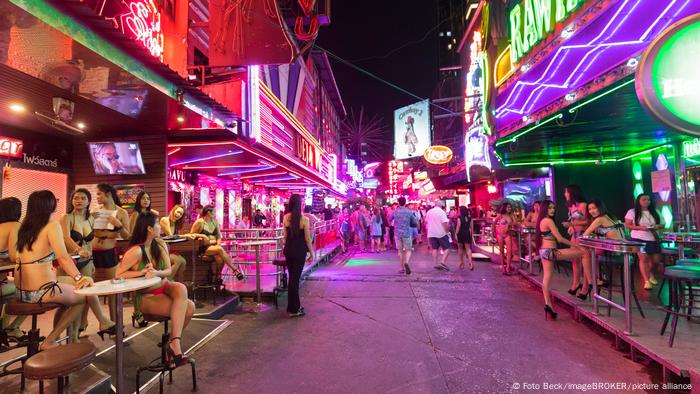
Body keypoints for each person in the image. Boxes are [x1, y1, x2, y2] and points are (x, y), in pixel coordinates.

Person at [16, 190, 116, 349]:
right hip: (41, 290)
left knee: (81, 287)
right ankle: (51, 339)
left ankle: (102, 322)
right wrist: (79, 277)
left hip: (21, 290)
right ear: (50, 206)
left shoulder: (24, 227)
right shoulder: (52, 225)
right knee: (84, 295)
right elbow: (63, 258)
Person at [117, 212, 195, 366]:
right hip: (147, 296)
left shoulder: (160, 244)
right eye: (158, 224)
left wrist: (156, 272)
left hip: (165, 286)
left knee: (180, 287)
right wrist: (141, 272)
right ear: (149, 229)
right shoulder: (136, 251)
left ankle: (173, 343)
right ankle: (172, 346)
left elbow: (167, 271)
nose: (161, 227)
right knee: (189, 307)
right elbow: (118, 274)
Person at [535, 200, 587, 320]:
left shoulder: (542, 220)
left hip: (544, 251)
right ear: (544, 209)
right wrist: (576, 245)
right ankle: (588, 283)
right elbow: (559, 238)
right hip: (550, 252)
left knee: (547, 277)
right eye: (549, 208)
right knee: (584, 252)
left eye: (553, 208)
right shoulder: (548, 220)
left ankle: (548, 305)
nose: (552, 210)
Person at [60, 189, 97, 338]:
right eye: (76, 198)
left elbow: (91, 244)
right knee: (70, 301)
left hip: (87, 261)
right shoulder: (67, 218)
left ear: (88, 201)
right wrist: (78, 249)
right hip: (70, 262)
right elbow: (66, 238)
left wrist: (92, 260)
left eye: (83, 198)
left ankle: (76, 332)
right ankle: (67, 334)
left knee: (85, 296)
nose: (79, 200)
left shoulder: (91, 219)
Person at [92, 183, 131, 321]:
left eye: (99, 194)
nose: (96, 197)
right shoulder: (95, 211)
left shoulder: (121, 212)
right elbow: (90, 232)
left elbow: (127, 236)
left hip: (108, 253)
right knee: (88, 288)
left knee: (112, 291)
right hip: (92, 253)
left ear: (108, 194)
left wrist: (117, 224)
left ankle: (115, 324)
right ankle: (82, 324)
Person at [191, 206, 245, 287]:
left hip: (215, 247)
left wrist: (218, 243)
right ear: (209, 212)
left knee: (220, 259)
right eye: (214, 212)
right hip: (204, 248)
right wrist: (202, 236)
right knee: (220, 250)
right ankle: (235, 270)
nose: (215, 214)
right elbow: (191, 234)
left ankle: (216, 278)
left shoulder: (214, 222)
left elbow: (219, 236)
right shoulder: (199, 222)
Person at [282, 194, 314, 317]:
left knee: (292, 279)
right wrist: (311, 253)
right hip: (299, 251)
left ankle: (294, 307)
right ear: (300, 204)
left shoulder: (285, 218)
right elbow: (307, 238)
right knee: (295, 279)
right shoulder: (304, 219)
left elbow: (284, 237)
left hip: (289, 250)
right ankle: (294, 309)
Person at [625, 193, 664, 290]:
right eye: (644, 199)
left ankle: (650, 273)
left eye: (648, 200)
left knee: (656, 261)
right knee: (644, 258)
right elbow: (628, 225)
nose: (647, 201)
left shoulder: (655, 211)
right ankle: (646, 280)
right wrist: (640, 228)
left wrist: (656, 226)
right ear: (639, 201)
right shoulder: (632, 212)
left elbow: (662, 225)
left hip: (653, 238)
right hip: (638, 238)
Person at [0, 198, 26, 340]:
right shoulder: (14, 226)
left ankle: (5, 328)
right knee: (28, 290)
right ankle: (10, 327)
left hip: (2, 280)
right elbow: (12, 255)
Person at [562, 185, 591, 298]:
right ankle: (575, 283)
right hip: (574, 235)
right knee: (575, 260)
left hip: (582, 235)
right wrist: (571, 227)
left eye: (566, 192)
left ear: (572, 193)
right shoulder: (571, 206)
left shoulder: (583, 205)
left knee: (584, 261)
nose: (565, 194)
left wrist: (572, 224)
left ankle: (585, 288)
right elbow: (573, 220)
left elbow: (587, 222)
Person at [389, 197, 416, 275]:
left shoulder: (395, 212)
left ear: (398, 203)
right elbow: (414, 221)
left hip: (397, 233)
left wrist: (394, 225)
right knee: (408, 250)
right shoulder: (409, 212)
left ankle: (402, 268)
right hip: (407, 233)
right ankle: (406, 262)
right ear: (405, 203)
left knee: (400, 251)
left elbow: (389, 219)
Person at [425, 201, 451, 271]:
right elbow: (445, 223)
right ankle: (442, 262)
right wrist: (447, 231)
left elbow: (426, 222)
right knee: (447, 248)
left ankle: (435, 264)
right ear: (442, 206)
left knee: (434, 248)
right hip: (441, 233)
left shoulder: (429, 212)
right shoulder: (442, 212)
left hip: (431, 233)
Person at [495, 203, 515, 274]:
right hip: (500, 234)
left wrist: (509, 224)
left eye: (510, 207)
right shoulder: (500, 215)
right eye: (508, 207)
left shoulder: (511, 216)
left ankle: (508, 268)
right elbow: (494, 223)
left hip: (508, 234)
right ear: (504, 208)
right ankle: (503, 267)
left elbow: (515, 223)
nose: (509, 209)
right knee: (501, 251)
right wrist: (493, 232)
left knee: (509, 251)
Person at [456, 206, 474, 270]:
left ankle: (462, 263)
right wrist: (471, 235)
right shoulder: (470, 218)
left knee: (460, 248)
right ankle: (470, 262)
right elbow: (471, 228)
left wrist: (455, 234)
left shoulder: (459, 218)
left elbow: (458, 226)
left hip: (461, 233)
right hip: (467, 233)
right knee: (468, 249)